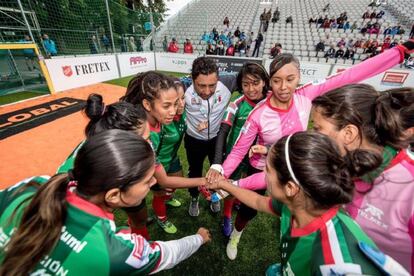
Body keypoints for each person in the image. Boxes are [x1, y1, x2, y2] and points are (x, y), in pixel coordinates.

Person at [207, 40, 414, 260]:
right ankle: (240, 235)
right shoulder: (258, 113)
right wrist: (222, 175)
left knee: (296, 217)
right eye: (277, 81)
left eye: (290, 79)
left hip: (300, 167)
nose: (284, 87)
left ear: (299, 77)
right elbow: (238, 151)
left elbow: (350, 75)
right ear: (270, 82)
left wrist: (398, 53)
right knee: (261, 210)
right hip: (265, 170)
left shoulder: (307, 95)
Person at [0, 130, 211, 275]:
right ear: (113, 196)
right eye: (147, 180)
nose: (155, 181)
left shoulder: (33, 184)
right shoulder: (117, 251)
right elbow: (168, 254)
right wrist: (199, 238)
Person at [207, 131, 385, 275]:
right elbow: (258, 201)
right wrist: (224, 184)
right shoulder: (295, 204)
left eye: (267, 170)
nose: (262, 175)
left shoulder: (338, 261)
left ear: (290, 187)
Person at [312, 84, 414, 273]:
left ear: (349, 133)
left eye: (318, 129)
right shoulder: (340, 162)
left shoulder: (409, 188)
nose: (313, 136)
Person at [122, 71, 209, 233]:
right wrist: (205, 181)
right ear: (147, 105)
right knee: (141, 216)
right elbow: (164, 180)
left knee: (163, 191)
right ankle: (156, 220)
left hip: (154, 167)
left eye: (177, 103)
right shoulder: (147, 135)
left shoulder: (157, 118)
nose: (174, 110)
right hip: (126, 181)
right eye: (167, 105)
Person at [206, 63, 269, 238]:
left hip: (261, 160)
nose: (250, 89)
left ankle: (239, 205)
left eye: (255, 83)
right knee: (231, 185)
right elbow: (223, 131)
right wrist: (218, 163)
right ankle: (227, 215)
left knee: (250, 186)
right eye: (245, 84)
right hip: (236, 156)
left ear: (264, 81)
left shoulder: (272, 101)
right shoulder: (236, 104)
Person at [183, 57, 235, 216]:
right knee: (195, 172)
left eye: (212, 85)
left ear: (218, 79)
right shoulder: (181, 87)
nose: (206, 91)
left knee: (218, 171)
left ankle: (215, 196)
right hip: (193, 141)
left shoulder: (229, 82)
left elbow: (253, 76)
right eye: (201, 86)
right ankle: (194, 197)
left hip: (217, 141)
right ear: (192, 80)